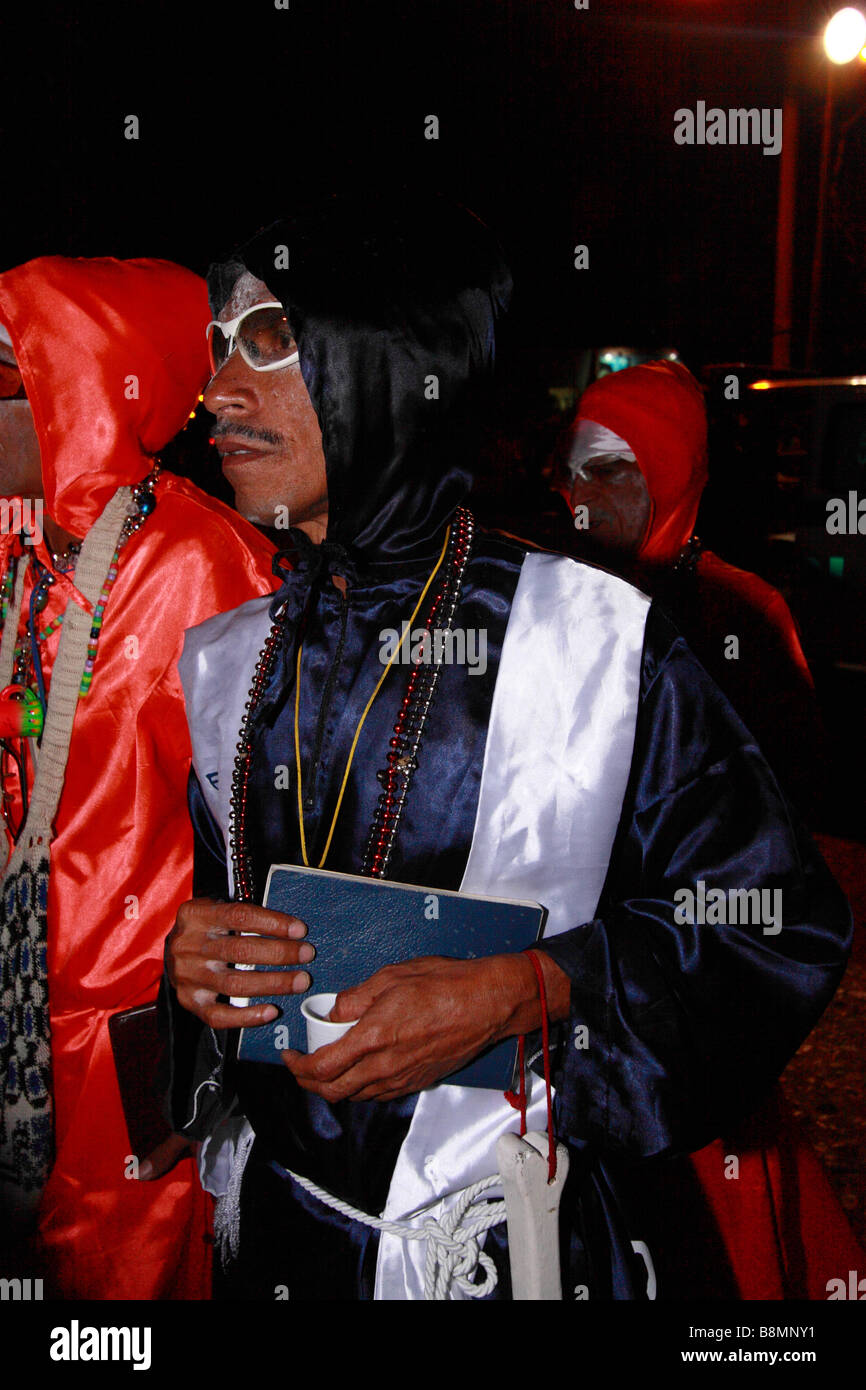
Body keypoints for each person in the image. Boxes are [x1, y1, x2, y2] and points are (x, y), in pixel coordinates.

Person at [162, 196, 852, 1301]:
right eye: (215, 345)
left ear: (387, 361)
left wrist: (532, 989)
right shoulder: (228, 655)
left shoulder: (590, 641)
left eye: (272, 337)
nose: (221, 391)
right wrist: (192, 960)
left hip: (503, 1240)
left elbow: (771, 924)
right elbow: (226, 917)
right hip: (283, 1238)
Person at [0, 256, 276, 1298]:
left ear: (77, 387)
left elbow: (265, 844)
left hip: (133, 1060)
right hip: (25, 1027)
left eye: (2, 371)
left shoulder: (202, 565)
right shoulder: (24, 550)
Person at [552, 359, 825, 822]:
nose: (580, 499)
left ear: (669, 471)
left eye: (605, 470)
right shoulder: (554, 594)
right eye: (571, 474)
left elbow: (793, 792)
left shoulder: (747, 613)